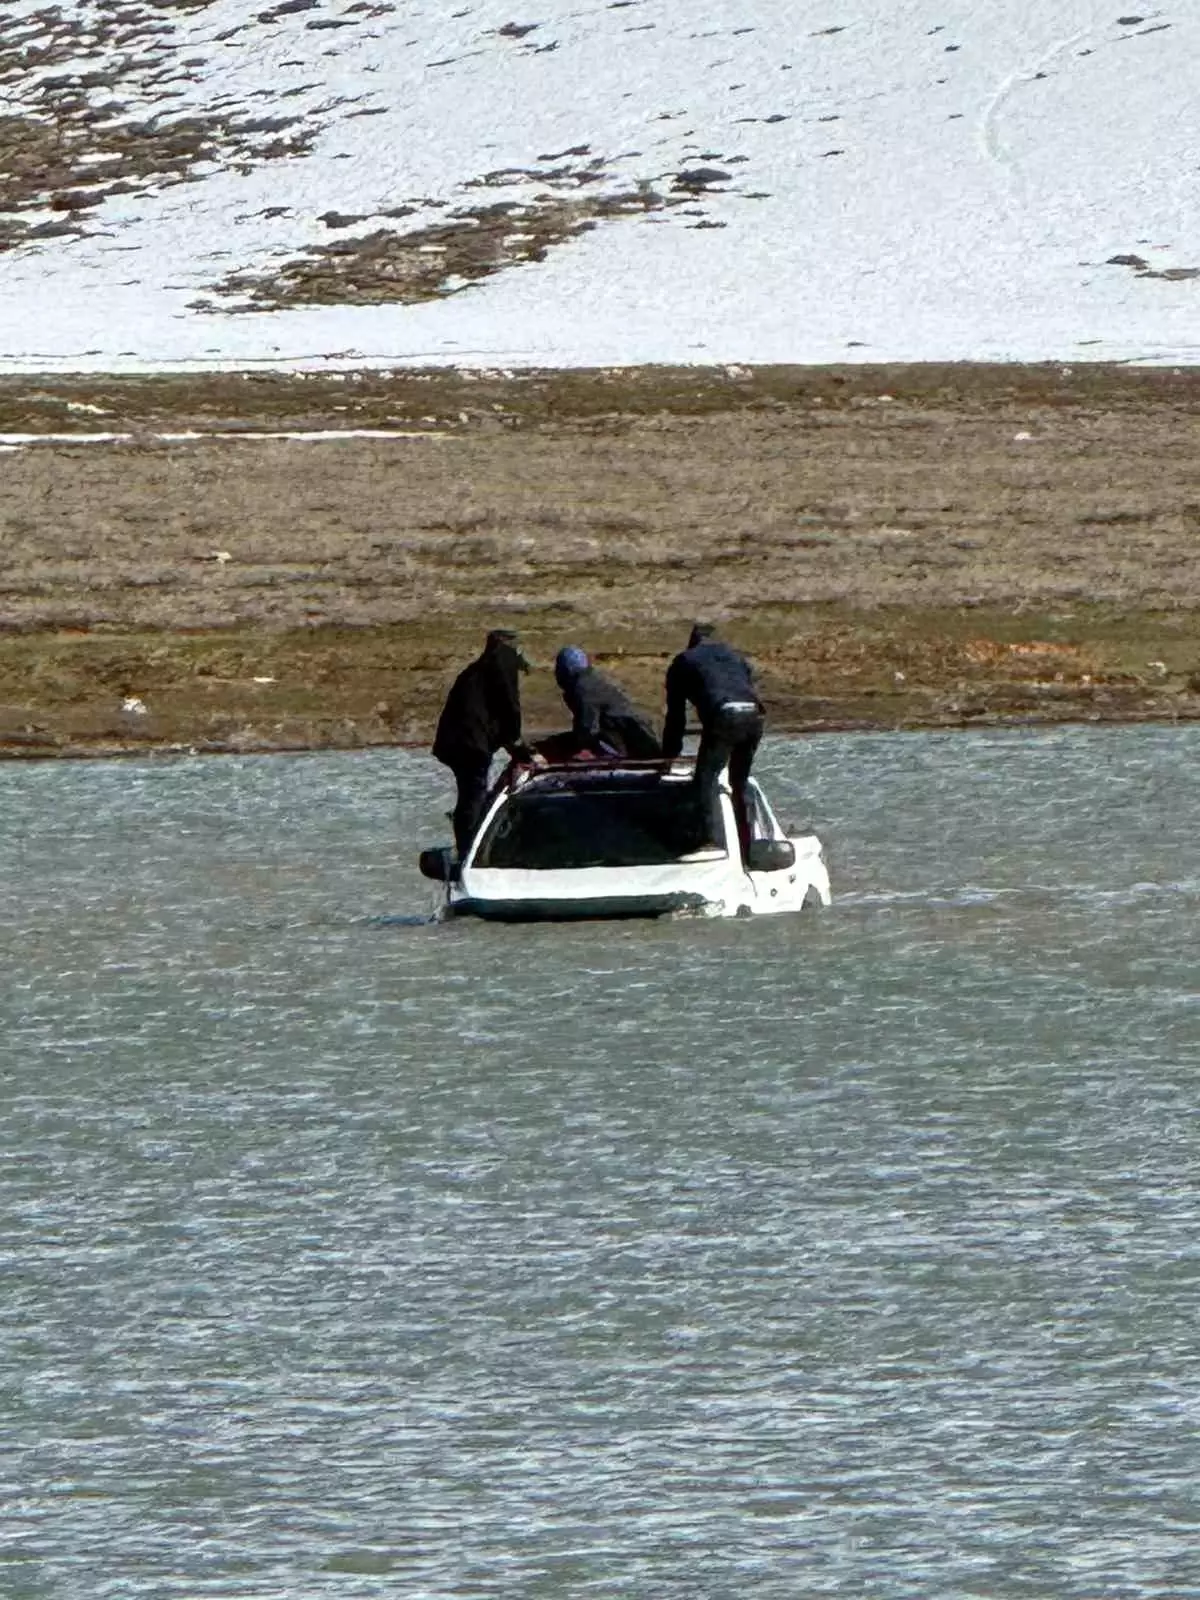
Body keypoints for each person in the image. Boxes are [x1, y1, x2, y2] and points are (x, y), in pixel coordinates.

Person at [661, 622, 764, 855]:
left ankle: (707, 841)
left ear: (691, 642)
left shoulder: (683, 662)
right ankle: (750, 843)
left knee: (706, 780)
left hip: (724, 714)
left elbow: (676, 719)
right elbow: (746, 688)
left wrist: (668, 758)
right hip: (754, 715)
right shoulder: (735, 657)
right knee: (740, 782)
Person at [432, 629, 531, 856]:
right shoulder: (502, 666)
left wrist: (510, 742)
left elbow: (491, 713)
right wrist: (515, 740)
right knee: (473, 795)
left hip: (458, 742)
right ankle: (472, 849)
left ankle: (468, 843)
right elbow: (509, 707)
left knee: (470, 794)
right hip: (469, 745)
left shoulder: (476, 672)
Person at [553, 646, 661, 759]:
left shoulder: (584, 689)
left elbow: (588, 728)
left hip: (635, 741)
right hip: (640, 734)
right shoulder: (592, 681)